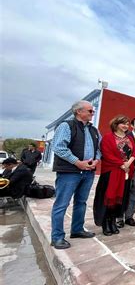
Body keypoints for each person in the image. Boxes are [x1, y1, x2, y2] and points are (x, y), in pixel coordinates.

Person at [50, 100, 101, 249]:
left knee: (81, 202)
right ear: (79, 111)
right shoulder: (66, 126)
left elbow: (100, 148)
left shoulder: (94, 130)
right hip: (69, 172)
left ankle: (77, 229)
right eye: (90, 111)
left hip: (88, 172)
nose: (93, 113)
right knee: (61, 204)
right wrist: (77, 162)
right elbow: (58, 147)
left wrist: (96, 160)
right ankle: (57, 237)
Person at [93, 115, 135, 236]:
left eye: (127, 124)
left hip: (125, 173)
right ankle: (105, 223)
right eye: (123, 123)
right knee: (109, 198)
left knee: (120, 199)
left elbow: (134, 153)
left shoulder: (129, 138)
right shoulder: (108, 137)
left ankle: (113, 221)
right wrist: (122, 164)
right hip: (112, 172)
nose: (126, 126)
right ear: (116, 124)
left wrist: (128, 163)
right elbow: (106, 154)